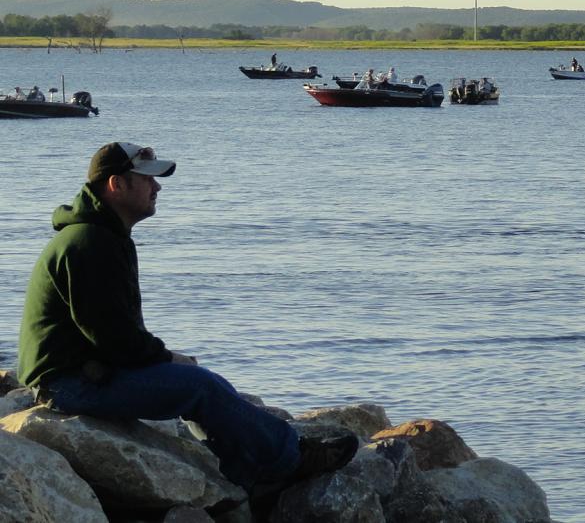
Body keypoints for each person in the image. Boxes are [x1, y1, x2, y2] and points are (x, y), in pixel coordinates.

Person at [16, 142, 355, 488]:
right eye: (147, 179)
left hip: (85, 372)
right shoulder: (89, 241)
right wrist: (166, 357)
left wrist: (163, 361)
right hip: (67, 385)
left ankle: (243, 471)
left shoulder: (103, 235)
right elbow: (111, 337)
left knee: (204, 382)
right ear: (116, 185)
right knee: (200, 387)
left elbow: (113, 334)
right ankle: (292, 459)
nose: (157, 187)